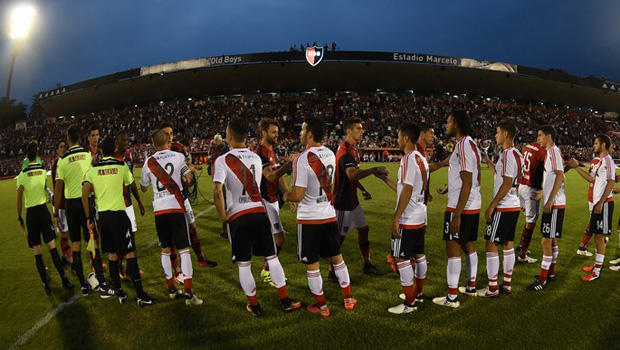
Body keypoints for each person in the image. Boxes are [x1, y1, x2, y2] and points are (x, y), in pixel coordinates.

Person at [213, 118, 301, 316]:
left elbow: (217, 191)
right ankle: (285, 300)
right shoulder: (255, 157)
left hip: (238, 215)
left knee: (244, 263)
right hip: (259, 212)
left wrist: (222, 216)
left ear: (228, 136)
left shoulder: (222, 160)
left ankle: (255, 305)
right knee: (272, 258)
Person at [284, 116, 357, 317]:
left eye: (302, 130)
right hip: (328, 214)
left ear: (309, 134)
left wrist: (285, 195)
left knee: (312, 264)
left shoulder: (302, 158)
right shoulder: (330, 153)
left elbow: (298, 195)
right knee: (337, 258)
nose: (299, 133)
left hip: (309, 218)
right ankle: (348, 298)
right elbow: (331, 185)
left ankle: (322, 306)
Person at [82, 135, 155, 305]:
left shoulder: (92, 169)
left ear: (101, 150)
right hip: (119, 216)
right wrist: (138, 200)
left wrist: (88, 217)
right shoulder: (121, 165)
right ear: (113, 149)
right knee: (130, 254)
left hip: (103, 219)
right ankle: (140, 296)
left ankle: (120, 293)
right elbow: (132, 185)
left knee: (112, 256)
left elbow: (84, 195)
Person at [140, 128, 202, 305]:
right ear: (168, 141)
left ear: (153, 144)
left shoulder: (148, 162)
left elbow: (143, 187)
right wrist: (186, 178)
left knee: (165, 250)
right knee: (184, 250)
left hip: (160, 210)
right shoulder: (178, 157)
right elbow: (188, 179)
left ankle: (171, 290)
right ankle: (189, 294)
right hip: (176, 206)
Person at [54, 125, 114, 298]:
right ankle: (102, 285)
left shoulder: (62, 160)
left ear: (68, 139)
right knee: (93, 243)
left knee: (76, 246)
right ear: (80, 138)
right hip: (85, 203)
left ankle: (83, 286)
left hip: (71, 207)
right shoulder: (88, 156)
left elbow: (58, 191)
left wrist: (57, 214)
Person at [375, 121, 429, 314]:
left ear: (406, 138)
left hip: (408, 217)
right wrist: (384, 179)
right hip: (420, 214)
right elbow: (406, 189)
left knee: (401, 258)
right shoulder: (421, 159)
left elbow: (406, 190)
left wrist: (396, 218)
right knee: (419, 255)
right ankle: (418, 293)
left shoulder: (407, 159)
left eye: (398, 137)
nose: (397, 140)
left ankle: (409, 303)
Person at [433, 110, 481, 309]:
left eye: (449, 121)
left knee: (452, 251)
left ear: (457, 125)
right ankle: (470, 286)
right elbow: (465, 177)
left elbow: (467, 182)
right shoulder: (471, 144)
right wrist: (448, 187)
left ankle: (451, 298)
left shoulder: (463, 146)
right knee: (467, 245)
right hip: (472, 204)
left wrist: (457, 215)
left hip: (461, 207)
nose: (446, 125)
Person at [17, 142, 74, 294]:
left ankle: (46, 285)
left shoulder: (22, 175)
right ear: (37, 155)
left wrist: (19, 216)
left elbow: (19, 198)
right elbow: (44, 186)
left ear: (26, 157)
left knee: (37, 252)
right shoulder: (42, 171)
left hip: (31, 214)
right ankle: (64, 279)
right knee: (52, 249)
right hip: (43, 212)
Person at [333, 117, 387, 278]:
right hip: (343, 202)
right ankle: (332, 272)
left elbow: (352, 176)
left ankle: (367, 264)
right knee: (339, 238)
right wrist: (374, 169)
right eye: (358, 128)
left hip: (353, 200)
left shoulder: (353, 149)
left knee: (364, 229)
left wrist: (363, 189)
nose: (362, 131)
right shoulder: (345, 151)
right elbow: (351, 175)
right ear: (349, 131)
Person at [159, 122, 217, 270]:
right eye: (166, 134)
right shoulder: (157, 153)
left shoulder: (178, 149)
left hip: (182, 196)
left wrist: (189, 172)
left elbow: (188, 164)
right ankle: (177, 269)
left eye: (171, 133)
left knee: (192, 227)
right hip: (168, 200)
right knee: (171, 236)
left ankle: (200, 259)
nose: (170, 137)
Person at [478, 120, 523, 297]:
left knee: (491, 244)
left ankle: (492, 288)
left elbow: (506, 182)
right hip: (513, 205)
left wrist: (492, 205)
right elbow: (502, 174)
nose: (495, 135)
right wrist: (488, 161)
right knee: (508, 245)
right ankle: (507, 284)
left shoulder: (507, 155)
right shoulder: (516, 154)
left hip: (504, 206)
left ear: (505, 135)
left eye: (497, 132)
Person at [567, 135, 615, 280]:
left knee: (600, 238)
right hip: (598, 204)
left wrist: (600, 202)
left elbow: (611, 182)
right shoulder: (601, 162)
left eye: (596, 143)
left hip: (604, 204)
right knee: (597, 236)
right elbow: (590, 178)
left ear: (604, 145)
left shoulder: (608, 161)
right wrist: (576, 167)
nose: (593, 146)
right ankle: (596, 266)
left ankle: (597, 272)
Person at [255, 118, 296, 285]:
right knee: (279, 239)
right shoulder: (260, 152)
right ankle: (268, 271)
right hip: (263, 200)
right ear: (264, 133)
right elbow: (270, 175)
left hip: (273, 200)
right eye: (273, 132)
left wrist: (287, 194)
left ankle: (267, 269)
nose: (277, 135)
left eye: (277, 132)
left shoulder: (271, 151)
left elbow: (277, 177)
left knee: (274, 239)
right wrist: (289, 165)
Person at [527, 125, 565, 291]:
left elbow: (560, 175)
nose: (538, 139)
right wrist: (545, 192)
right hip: (554, 201)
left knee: (545, 241)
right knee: (552, 239)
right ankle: (550, 273)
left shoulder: (554, 151)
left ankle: (542, 280)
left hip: (555, 204)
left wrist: (549, 201)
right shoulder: (551, 152)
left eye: (540, 135)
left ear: (549, 136)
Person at [113, 130, 146, 280]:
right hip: (116, 204)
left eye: (127, 141)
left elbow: (131, 184)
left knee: (132, 236)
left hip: (128, 204)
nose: (126, 143)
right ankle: (119, 266)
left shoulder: (128, 159)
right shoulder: (112, 159)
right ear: (117, 143)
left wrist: (139, 202)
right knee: (120, 237)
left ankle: (131, 268)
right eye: (123, 141)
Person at [515, 140, 546, 264]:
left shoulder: (527, 146)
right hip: (532, 188)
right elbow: (546, 171)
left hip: (522, 185)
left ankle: (521, 245)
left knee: (528, 219)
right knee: (531, 222)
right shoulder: (543, 151)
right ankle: (522, 255)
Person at [51, 140, 72, 265]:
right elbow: (57, 188)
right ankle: (70, 259)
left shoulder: (65, 163)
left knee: (67, 232)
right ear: (57, 150)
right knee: (64, 233)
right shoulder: (57, 165)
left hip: (67, 202)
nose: (63, 149)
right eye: (61, 147)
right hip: (61, 204)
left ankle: (65, 256)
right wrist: (56, 211)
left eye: (65, 146)